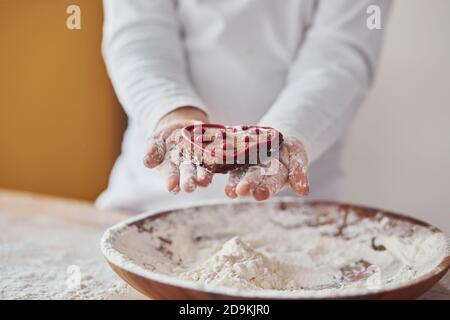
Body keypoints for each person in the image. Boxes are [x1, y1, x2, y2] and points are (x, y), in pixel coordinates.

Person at [96, 0, 390, 212]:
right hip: (147, 202)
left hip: (294, 216)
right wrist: (172, 110)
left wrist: (288, 131)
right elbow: (138, 36)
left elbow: (339, 56)